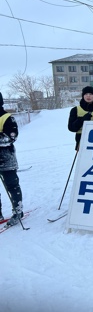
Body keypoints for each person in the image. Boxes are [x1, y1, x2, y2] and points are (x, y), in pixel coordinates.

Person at [0, 92, 24, 227]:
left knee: (12, 185)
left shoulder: (7, 118)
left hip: (6, 158)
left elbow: (10, 138)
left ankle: (18, 211)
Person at [68, 86, 93, 150]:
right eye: (86, 94)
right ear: (83, 96)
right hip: (82, 144)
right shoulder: (75, 110)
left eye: (90, 94)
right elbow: (71, 128)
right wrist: (82, 120)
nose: (88, 96)